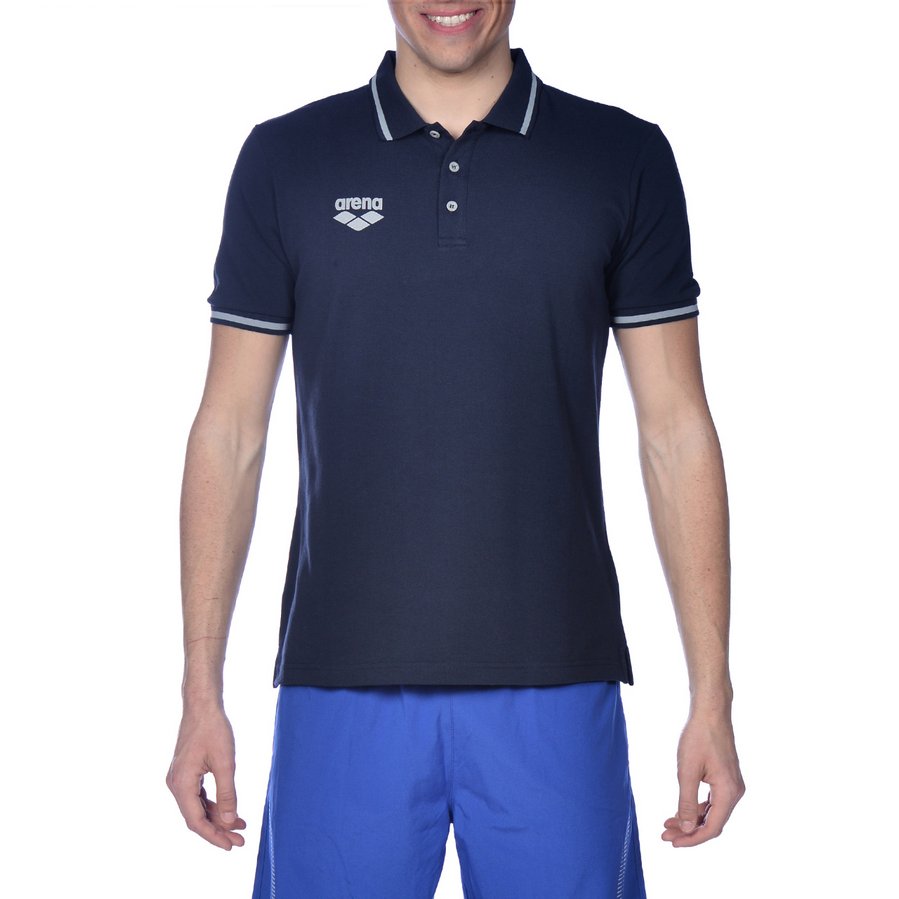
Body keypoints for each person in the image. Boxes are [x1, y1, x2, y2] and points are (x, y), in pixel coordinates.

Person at [166, 1, 745, 895]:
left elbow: (674, 429)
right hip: (340, 682)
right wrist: (199, 690)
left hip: (556, 680)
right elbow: (230, 431)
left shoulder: (620, 156)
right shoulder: (287, 158)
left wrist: (713, 692)